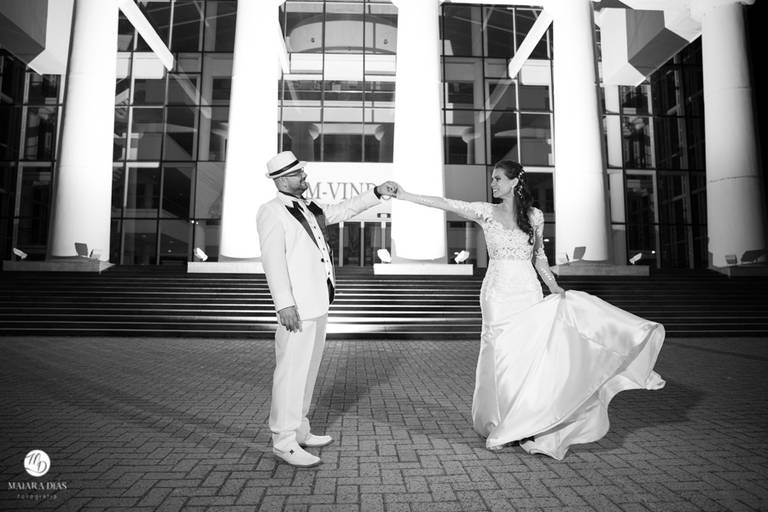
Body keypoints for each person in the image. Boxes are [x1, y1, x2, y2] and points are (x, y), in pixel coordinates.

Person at [394, 160, 665, 460]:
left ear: (514, 182)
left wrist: (554, 287)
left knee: (529, 357)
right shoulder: (485, 211)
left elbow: (539, 257)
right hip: (497, 293)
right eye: (492, 179)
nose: (493, 184)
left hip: (528, 290)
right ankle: (501, 422)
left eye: (498, 179)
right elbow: (446, 203)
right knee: (500, 357)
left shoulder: (534, 216)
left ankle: (527, 420)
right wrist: (405, 195)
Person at [257, 150, 398, 467]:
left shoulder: (308, 208)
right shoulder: (271, 212)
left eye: (302, 173)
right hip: (297, 308)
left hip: (318, 302)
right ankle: (283, 441)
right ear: (281, 179)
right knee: (290, 374)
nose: (304, 178)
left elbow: (342, 209)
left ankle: (301, 430)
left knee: (307, 372)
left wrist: (376, 193)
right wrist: (284, 304)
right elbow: (273, 261)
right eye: (298, 175)